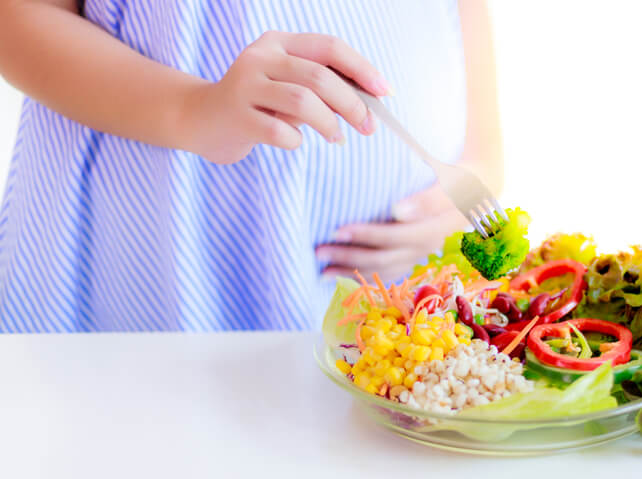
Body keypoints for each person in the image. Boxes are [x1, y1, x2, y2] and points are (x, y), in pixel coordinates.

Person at [0, 0, 503, 331]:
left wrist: (480, 161)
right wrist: (194, 111)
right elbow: (18, 18)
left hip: (400, 287)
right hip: (171, 268)